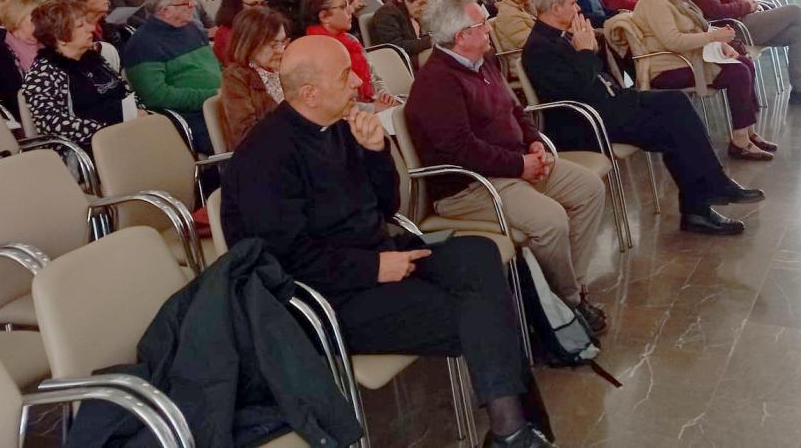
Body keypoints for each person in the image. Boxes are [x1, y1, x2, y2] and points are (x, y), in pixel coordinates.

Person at [220, 35, 552, 448]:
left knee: (479, 255)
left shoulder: (340, 127)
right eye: (346, 76)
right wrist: (373, 268)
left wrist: (376, 151)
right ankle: (515, 431)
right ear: (310, 93)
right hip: (323, 296)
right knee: (477, 311)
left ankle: (511, 431)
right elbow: (281, 260)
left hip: (374, 256)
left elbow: (385, 207)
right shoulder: (264, 158)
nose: (359, 82)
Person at [407, 0, 608, 329]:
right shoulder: (437, 82)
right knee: (551, 220)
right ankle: (564, 307)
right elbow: (460, 150)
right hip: (470, 185)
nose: (490, 28)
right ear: (461, 36)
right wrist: (519, 165)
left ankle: (565, 290)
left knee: (589, 188)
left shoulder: (483, 61)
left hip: (513, 164)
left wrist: (532, 141)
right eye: (482, 23)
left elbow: (515, 109)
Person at [523, 0, 764, 234]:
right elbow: (578, 90)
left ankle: (711, 190)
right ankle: (699, 207)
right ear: (555, 8)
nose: (579, 8)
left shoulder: (563, 36)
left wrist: (589, 49)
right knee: (673, 129)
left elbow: (596, 74)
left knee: (676, 101)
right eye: (573, 3)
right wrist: (585, 51)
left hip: (609, 103)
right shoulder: (539, 47)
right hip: (587, 122)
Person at [633, 0, 774, 161]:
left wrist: (721, 43)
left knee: (745, 63)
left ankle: (748, 132)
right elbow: (673, 41)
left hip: (686, 59)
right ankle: (740, 141)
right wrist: (713, 37)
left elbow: (700, 26)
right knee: (738, 72)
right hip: (667, 67)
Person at [24, 0, 142, 152]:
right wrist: (109, 130)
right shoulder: (43, 74)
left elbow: (125, 91)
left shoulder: (93, 58)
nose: (91, 28)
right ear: (61, 38)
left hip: (127, 134)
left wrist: (139, 111)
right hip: (92, 148)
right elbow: (53, 125)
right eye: (80, 26)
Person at [121, 0, 222, 153]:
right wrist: (213, 95)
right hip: (190, 118)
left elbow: (215, 67)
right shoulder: (143, 44)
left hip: (220, 105)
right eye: (186, 1)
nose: (193, 5)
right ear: (165, 10)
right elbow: (157, 96)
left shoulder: (192, 29)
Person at [303, 0, 397, 106]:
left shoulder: (350, 39)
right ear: (324, 17)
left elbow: (375, 77)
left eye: (348, 4)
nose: (350, 10)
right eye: (343, 6)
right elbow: (332, 103)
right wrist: (372, 108)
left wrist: (385, 96)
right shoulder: (314, 51)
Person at [217, 5, 287, 150]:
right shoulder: (236, 77)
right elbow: (245, 134)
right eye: (273, 45)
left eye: (283, 42)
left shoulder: (287, 68)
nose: (281, 50)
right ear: (250, 44)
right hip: (265, 155)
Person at [367, 0, 437, 59]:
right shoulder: (386, 14)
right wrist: (429, 41)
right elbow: (395, 47)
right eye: (421, 3)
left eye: (425, 4)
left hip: (411, 57)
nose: (423, 8)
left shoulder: (410, 12)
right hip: (396, 61)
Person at [212, 0, 267, 65]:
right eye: (253, 4)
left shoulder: (263, 26)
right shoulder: (225, 34)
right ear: (236, 4)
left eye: (262, 4)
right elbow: (237, 68)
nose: (260, 9)